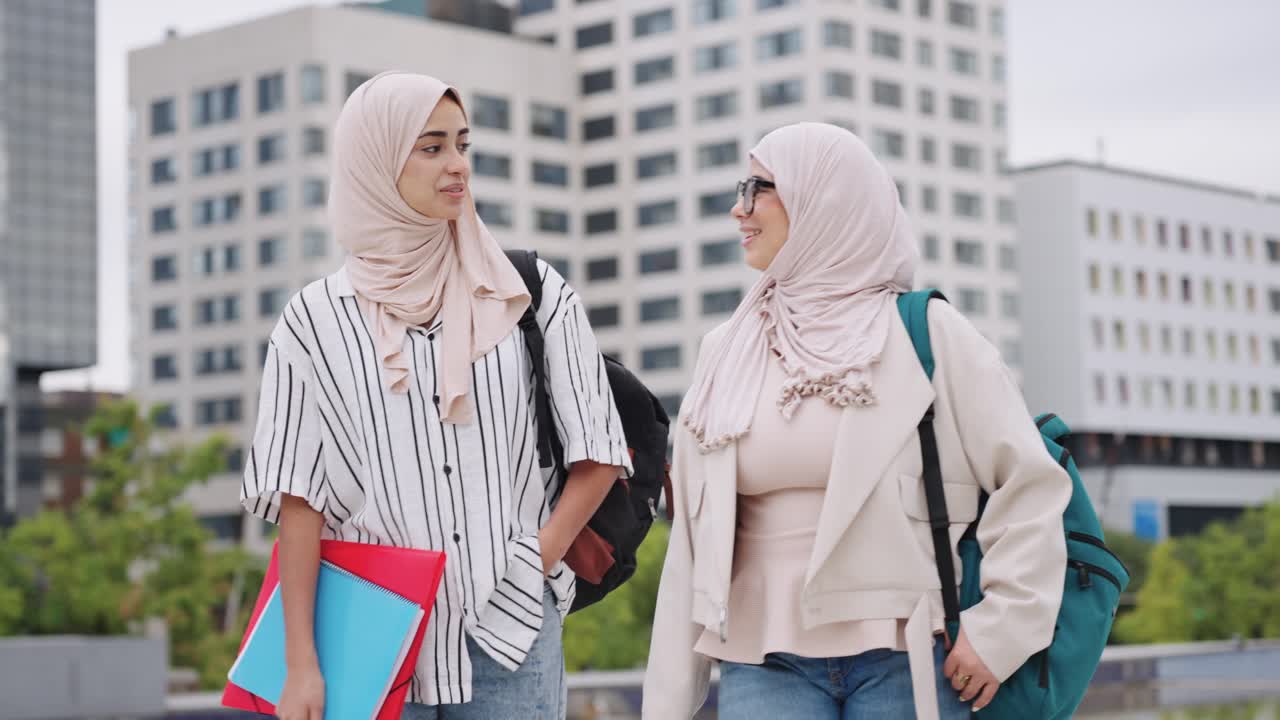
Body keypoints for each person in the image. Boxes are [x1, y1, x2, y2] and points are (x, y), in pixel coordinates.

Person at [642, 123, 1071, 720]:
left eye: (758, 188)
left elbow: (1031, 484)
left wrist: (998, 633)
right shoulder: (727, 349)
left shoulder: (927, 335)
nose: (737, 209)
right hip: (761, 657)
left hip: (906, 654)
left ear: (826, 198)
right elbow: (693, 534)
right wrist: (668, 699)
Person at [240, 71, 632, 720]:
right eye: (431, 148)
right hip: (372, 642)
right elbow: (300, 504)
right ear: (375, 162)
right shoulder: (310, 324)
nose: (457, 166)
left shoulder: (528, 293)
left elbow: (599, 448)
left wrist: (534, 561)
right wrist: (301, 664)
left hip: (510, 633)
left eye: (463, 144)